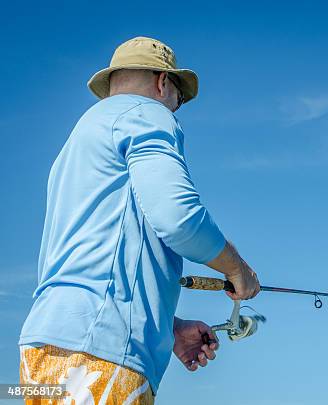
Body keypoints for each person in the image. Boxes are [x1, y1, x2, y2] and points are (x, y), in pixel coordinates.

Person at [18, 36, 260, 404]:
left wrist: (169, 329)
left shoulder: (79, 141)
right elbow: (178, 218)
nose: (175, 110)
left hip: (46, 350)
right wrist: (237, 268)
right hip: (100, 355)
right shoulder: (148, 113)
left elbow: (100, 261)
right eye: (179, 101)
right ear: (163, 83)